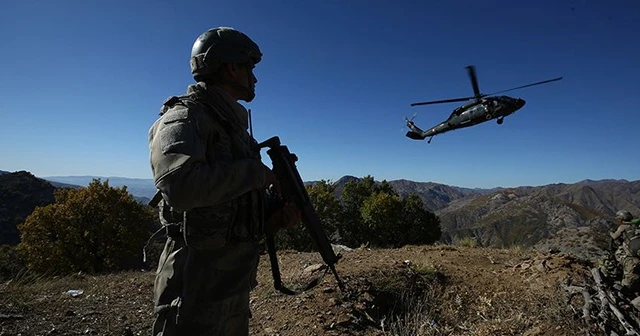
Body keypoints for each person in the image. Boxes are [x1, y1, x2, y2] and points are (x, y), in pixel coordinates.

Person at [148, 27, 300, 335]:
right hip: (193, 287)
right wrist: (256, 173)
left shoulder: (231, 126)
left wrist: (274, 214)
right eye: (249, 68)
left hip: (230, 282)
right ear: (230, 67)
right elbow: (181, 186)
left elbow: (229, 199)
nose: (254, 78)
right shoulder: (183, 118)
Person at [610, 210, 640, 292]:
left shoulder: (623, 227)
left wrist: (611, 232)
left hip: (630, 255)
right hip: (637, 252)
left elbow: (614, 237)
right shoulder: (636, 225)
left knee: (628, 276)